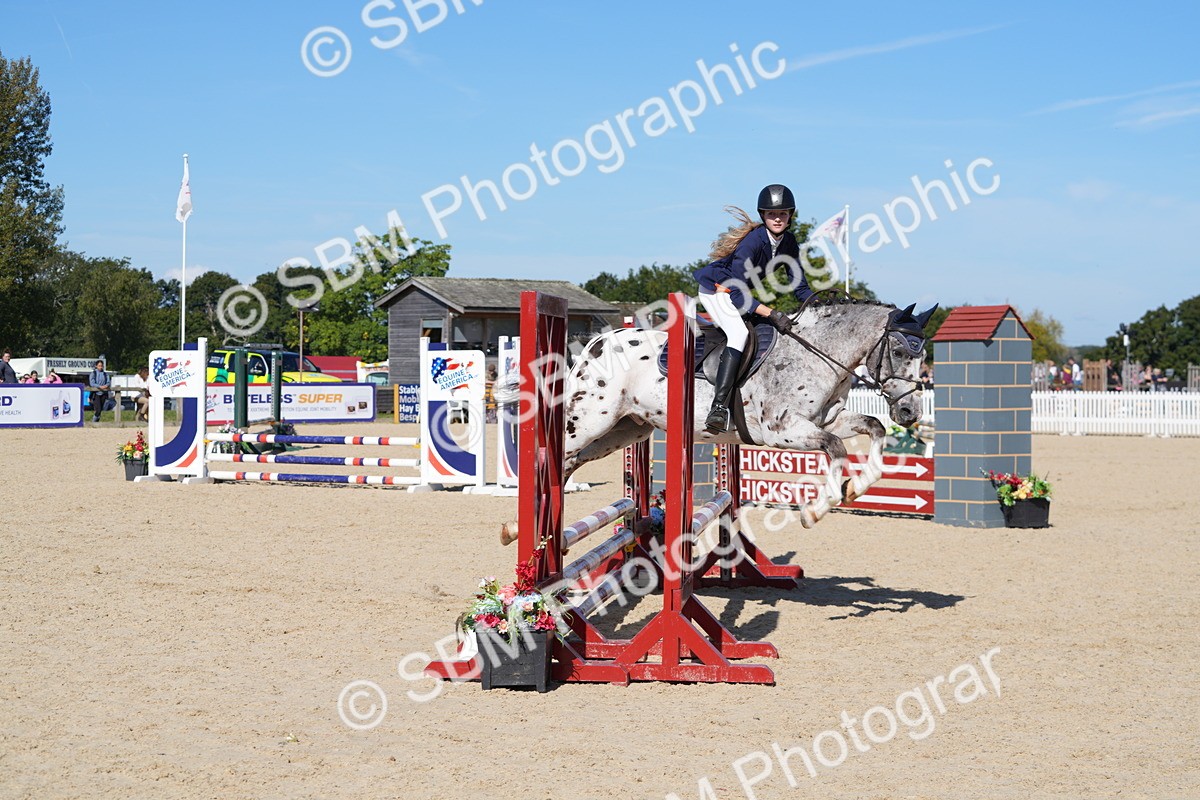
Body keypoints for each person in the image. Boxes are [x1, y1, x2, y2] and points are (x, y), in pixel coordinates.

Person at [692, 184, 811, 433]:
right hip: (718, 291)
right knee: (739, 334)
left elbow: (799, 286)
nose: (777, 218)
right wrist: (772, 313)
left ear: (790, 215)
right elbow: (735, 293)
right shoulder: (753, 242)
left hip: (738, 293)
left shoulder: (788, 242)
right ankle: (719, 407)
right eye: (771, 214)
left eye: (782, 214)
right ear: (763, 216)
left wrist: (821, 305)